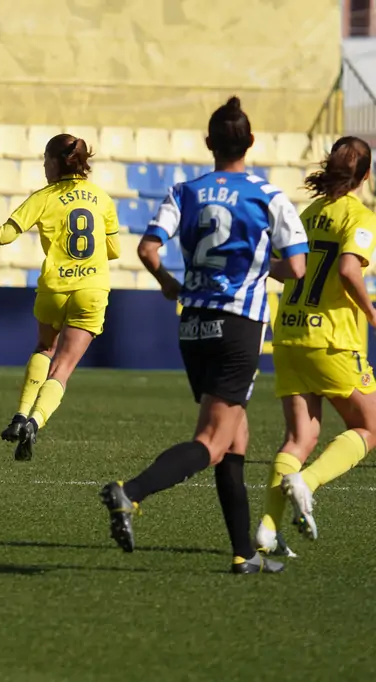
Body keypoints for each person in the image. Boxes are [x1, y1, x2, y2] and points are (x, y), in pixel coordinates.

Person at [100, 96, 309, 574]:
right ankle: (129, 493)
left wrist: (170, 283)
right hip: (237, 324)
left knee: (235, 440)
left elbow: (149, 249)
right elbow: (296, 267)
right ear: (250, 143)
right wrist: (260, 266)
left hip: (192, 324)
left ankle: (246, 554)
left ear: (209, 142)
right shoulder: (268, 196)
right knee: (214, 441)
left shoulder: (185, 192)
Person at [0, 133, 121, 461]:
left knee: (45, 348)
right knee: (62, 369)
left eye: (46, 160)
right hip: (91, 291)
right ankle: (35, 422)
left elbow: (4, 235)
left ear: (57, 162)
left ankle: (19, 416)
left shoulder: (44, 197)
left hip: (54, 290)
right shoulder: (101, 198)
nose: (43, 166)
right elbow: (114, 249)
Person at [256, 136, 376, 551]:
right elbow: (347, 270)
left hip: (288, 334)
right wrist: (373, 312)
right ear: (365, 176)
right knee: (368, 427)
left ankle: (267, 533)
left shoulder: (307, 214)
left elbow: (287, 268)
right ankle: (306, 483)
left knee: (299, 438)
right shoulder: (359, 216)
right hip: (331, 340)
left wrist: (257, 266)